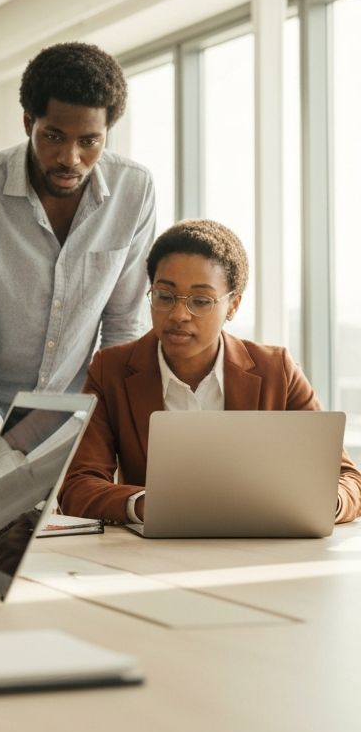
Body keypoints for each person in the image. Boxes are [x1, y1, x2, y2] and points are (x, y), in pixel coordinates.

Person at [58, 219, 361, 524]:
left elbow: (348, 479)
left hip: (261, 550)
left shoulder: (276, 371)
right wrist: (147, 505)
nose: (178, 315)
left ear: (233, 306)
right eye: (164, 296)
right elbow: (77, 487)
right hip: (152, 556)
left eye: (200, 301)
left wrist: (319, 502)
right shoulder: (111, 369)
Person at [0, 41, 156, 422]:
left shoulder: (134, 190)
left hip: (78, 413)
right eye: (54, 136)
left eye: (89, 141)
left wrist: (106, 423)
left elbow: (124, 326)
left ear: (107, 132)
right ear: (28, 123)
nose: (70, 158)